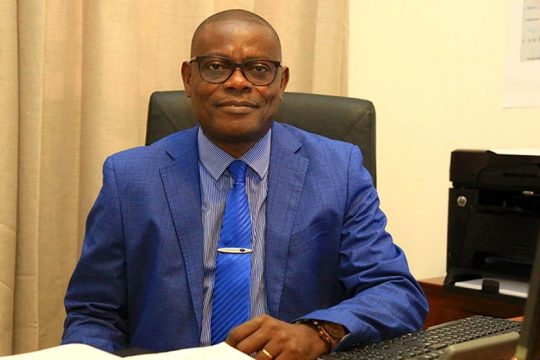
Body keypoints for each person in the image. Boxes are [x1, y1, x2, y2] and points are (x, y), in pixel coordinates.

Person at [62, 9, 428, 360]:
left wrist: (315, 333)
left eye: (258, 69)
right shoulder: (129, 177)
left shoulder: (338, 170)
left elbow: (394, 292)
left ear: (281, 82)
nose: (238, 82)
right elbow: (94, 313)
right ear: (189, 78)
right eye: (217, 67)